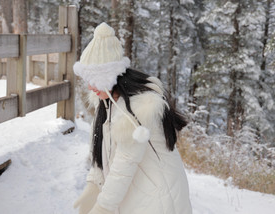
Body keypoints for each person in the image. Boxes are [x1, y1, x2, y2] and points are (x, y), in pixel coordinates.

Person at [73, 22, 192, 214]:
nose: (89, 87)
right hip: (140, 197)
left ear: (110, 77)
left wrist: (103, 206)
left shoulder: (138, 111)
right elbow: (101, 150)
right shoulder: (106, 103)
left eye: (93, 79)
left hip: (158, 202)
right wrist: (93, 185)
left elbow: (123, 166)